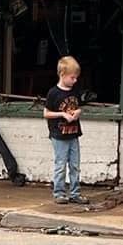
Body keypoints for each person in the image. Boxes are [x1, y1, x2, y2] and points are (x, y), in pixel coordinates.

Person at [43, 55, 86, 204]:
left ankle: (75, 193)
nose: (75, 81)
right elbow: (46, 113)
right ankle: (59, 193)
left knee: (75, 165)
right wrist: (62, 114)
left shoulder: (75, 91)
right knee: (60, 164)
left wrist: (78, 113)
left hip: (73, 133)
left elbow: (78, 107)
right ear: (62, 75)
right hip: (59, 135)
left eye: (76, 78)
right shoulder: (53, 93)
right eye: (72, 78)